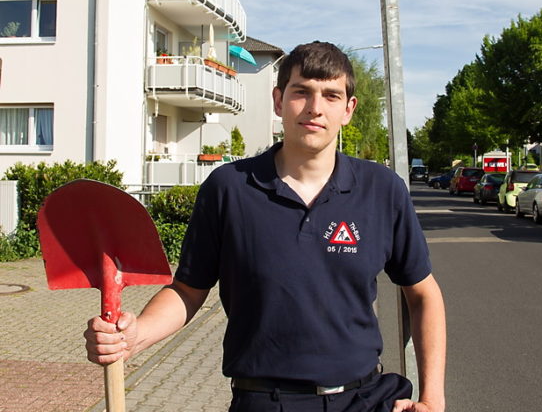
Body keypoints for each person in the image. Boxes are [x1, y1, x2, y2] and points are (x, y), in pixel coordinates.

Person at [85, 41, 446, 412]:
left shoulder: (381, 189)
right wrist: (136, 335)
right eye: (301, 92)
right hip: (265, 401)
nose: (315, 108)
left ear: (348, 109)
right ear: (278, 101)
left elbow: (423, 294)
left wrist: (432, 399)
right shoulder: (228, 188)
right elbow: (188, 291)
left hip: (363, 399)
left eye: (331, 96)